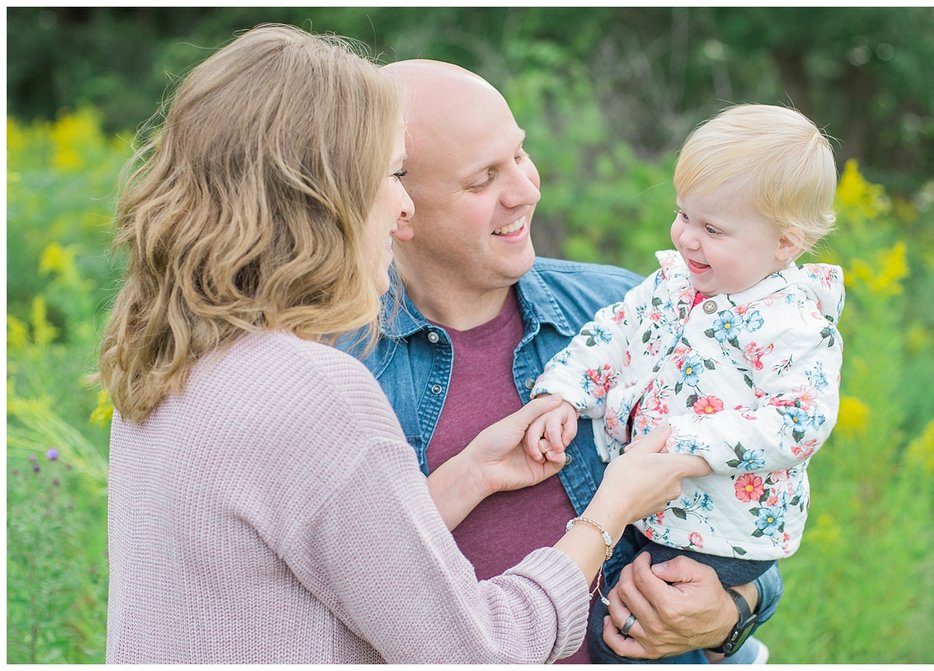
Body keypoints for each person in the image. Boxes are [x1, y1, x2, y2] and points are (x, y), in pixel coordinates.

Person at [98, 24, 710, 664]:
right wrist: (610, 510)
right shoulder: (314, 386)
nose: (400, 210)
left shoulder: (174, 363)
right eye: (391, 174)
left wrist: (471, 473)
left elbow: (340, 564)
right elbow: (479, 654)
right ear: (322, 200)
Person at [343, 59, 784, 663]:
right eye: (482, 180)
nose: (526, 189)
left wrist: (729, 613)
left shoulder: (623, 311)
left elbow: (744, 516)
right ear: (397, 204)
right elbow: (332, 596)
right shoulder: (338, 373)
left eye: (520, 156)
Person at [525, 104, 845, 663]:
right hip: (655, 504)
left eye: (712, 229)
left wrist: (681, 446)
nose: (687, 238)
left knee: (636, 624)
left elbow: (798, 421)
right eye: (684, 215)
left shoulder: (790, 322)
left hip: (721, 527)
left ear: (785, 244)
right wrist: (565, 392)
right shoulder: (673, 282)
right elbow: (614, 333)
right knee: (606, 605)